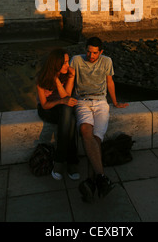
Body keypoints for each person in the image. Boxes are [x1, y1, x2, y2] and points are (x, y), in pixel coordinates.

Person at [70, 36, 128, 202]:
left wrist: (115, 102)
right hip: (82, 101)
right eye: (88, 51)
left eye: (95, 53)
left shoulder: (107, 61)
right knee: (85, 131)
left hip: (101, 102)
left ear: (101, 52)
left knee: (96, 139)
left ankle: (92, 182)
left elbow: (110, 82)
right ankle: (101, 177)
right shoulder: (76, 60)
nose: (91, 55)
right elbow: (70, 81)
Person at [36, 48, 79, 181]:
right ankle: (72, 162)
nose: (68, 65)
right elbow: (44, 105)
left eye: (68, 61)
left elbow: (66, 96)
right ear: (56, 64)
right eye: (65, 63)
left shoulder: (67, 74)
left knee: (68, 114)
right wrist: (55, 81)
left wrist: (70, 78)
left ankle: (59, 161)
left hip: (62, 109)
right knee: (70, 118)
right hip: (47, 110)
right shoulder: (42, 78)